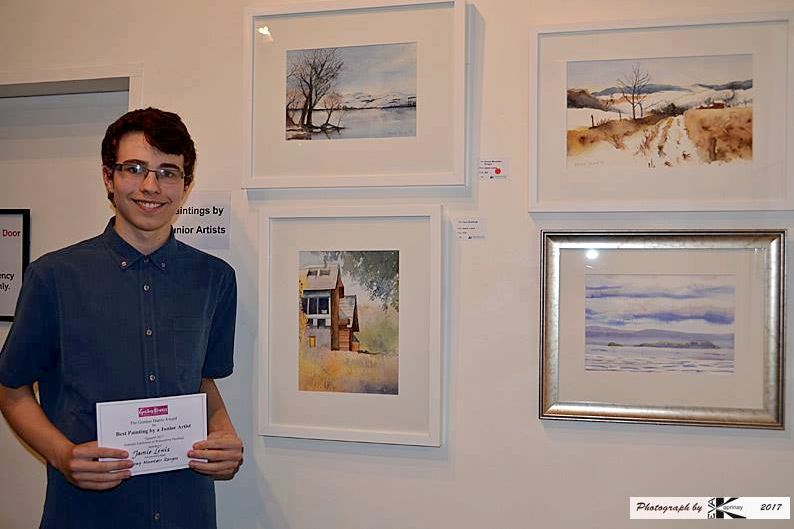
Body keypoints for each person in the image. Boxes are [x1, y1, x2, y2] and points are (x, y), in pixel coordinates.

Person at [0, 107, 243, 529]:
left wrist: (223, 433)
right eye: (134, 169)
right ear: (108, 177)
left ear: (186, 185)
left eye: (168, 172)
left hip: (186, 509)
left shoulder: (215, 279)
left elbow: (201, 380)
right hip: (87, 512)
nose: (151, 186)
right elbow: (11, 389)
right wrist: (62, 455)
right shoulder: (54, 276)